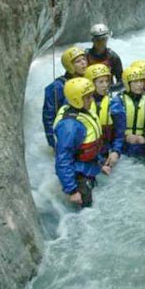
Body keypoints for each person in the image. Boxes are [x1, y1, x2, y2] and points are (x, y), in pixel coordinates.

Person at [53, 77, 111, 208]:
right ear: (76, 100)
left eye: (91, 96)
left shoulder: (83, 111)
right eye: (88, 97)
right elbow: (63, 159)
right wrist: (72, 191)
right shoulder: (70, 127)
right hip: (77, 173)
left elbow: (91, 146)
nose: (92, 100)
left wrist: (100, 164)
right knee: (87, 208)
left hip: (89, 166)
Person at [42, 46, 88, 148]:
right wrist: (53, 142)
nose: (83, 63)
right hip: (67, 134)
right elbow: (48, 117)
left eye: (84, 59)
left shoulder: (88, 81)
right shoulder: (56, 87)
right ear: (69, 66)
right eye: (78, 61)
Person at [85, 63, 126, 169]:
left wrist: (116, 152)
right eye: (100, 82)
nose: (105, 85)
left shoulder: (114, 103)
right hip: (88, 155)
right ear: (91, 83)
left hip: (107, 153)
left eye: (107, 81)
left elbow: (119, 134)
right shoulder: (83, 105)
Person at [111, 65, 145, 157]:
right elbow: (115, 128)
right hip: (123, 146)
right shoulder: (117, 101)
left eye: (141, 81)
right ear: (127, 83)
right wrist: (125, 137)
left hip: (144, 145)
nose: (139, 85)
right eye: (135, 81)